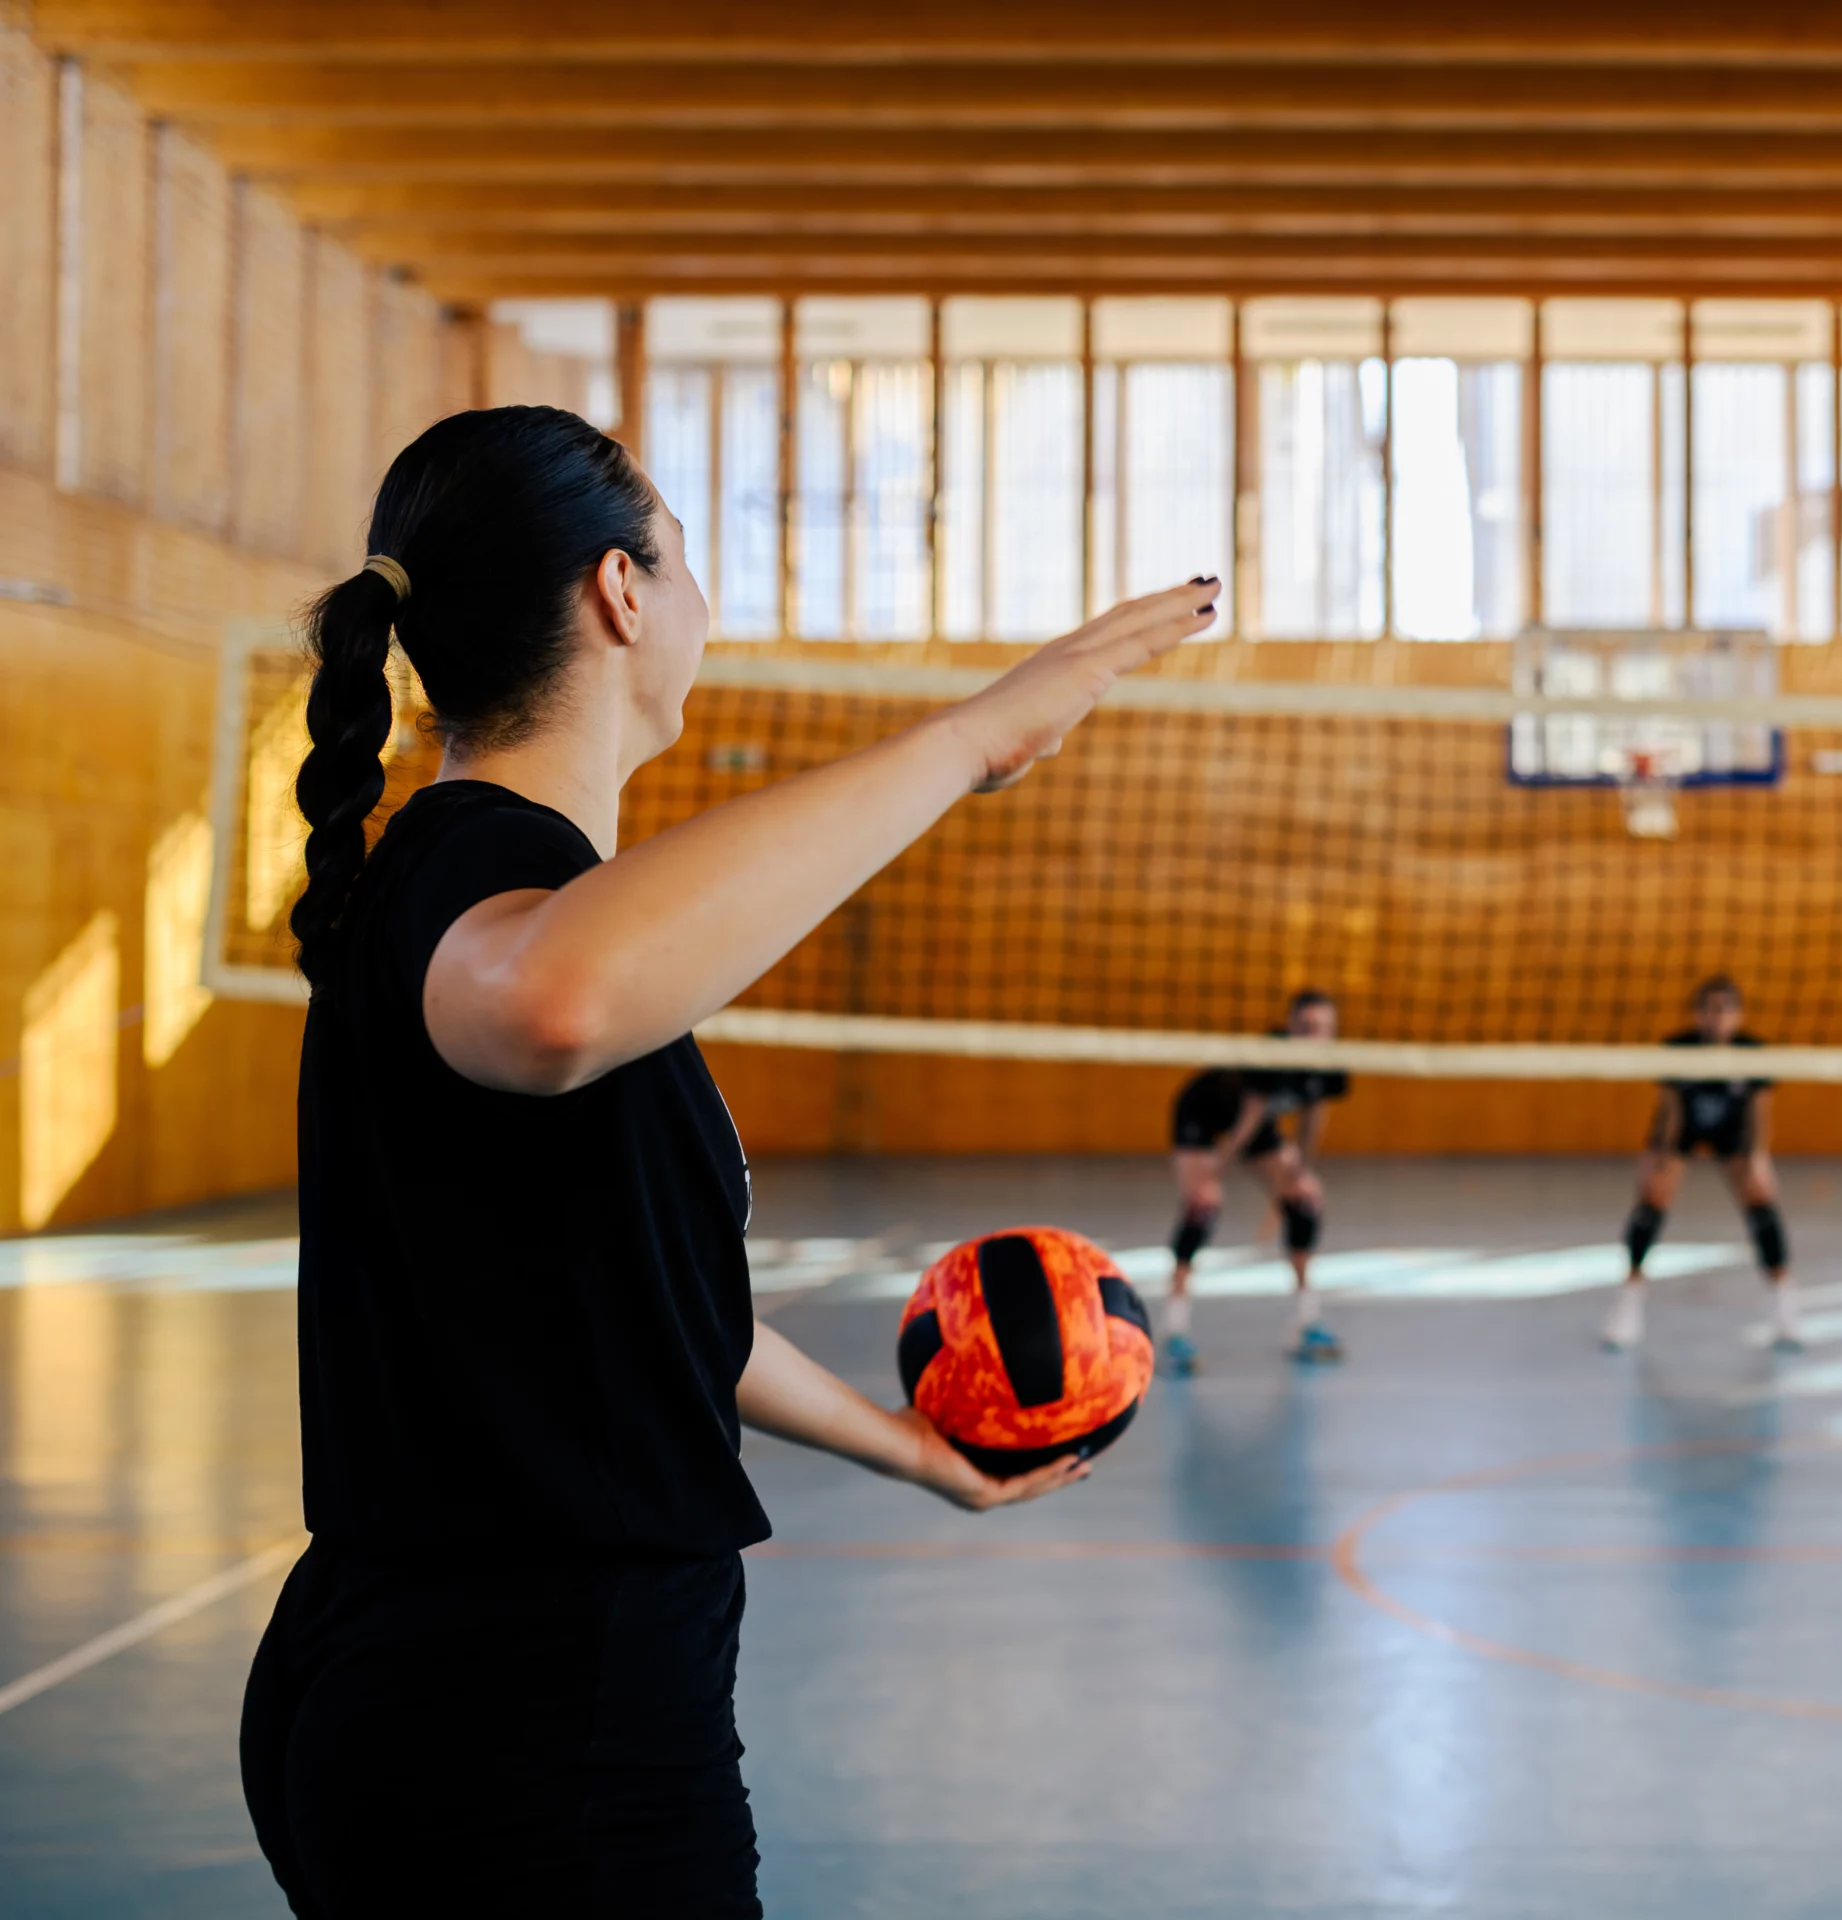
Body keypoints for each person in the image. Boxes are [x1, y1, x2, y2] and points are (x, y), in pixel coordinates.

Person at [237, 405, 1218, 1917]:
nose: (703, 601)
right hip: (532, 1726)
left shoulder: (476, 886)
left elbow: (645, 1306)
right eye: (686, 559)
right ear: (621, 593)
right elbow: (556, 1004)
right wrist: (970, 737)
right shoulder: (479, 881)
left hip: (460, 1692)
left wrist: (906, 1447)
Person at [1605, 975, 1803, 1352]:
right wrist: (1662, 1156)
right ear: (1697, 1014)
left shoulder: (1753, 1053)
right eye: (1709, 1009)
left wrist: (1757, 1157)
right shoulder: (1678, 1049)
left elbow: (1759, 1113)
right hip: (1685, 1127)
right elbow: (1669, 1112)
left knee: (1761, 1202)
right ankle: (1628, 1302)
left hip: (1733, 1130)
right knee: (1651, 1200)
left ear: (1738, 1014)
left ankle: (1784, 1303)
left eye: (1725, 1009)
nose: (1717, 1017)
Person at [1159, 990, 1349, 1373]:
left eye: (1323, 1028)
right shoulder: (1271, 1055)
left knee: (1305, 1199)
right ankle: (1174, 1331)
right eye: (1306, 1026)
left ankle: (1306, 1322)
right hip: (1202, 1114)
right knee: (1203, 1205)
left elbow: (1313, 1115)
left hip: (1256, 1125)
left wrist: (1299, 1172)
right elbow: (1246, 1122)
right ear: (1290, 1025)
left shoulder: (1332, 1064)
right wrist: (1212, 1174)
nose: (1314, 1035)